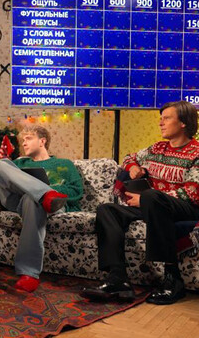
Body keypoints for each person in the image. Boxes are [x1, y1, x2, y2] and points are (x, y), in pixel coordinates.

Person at [81, 101, 199, 305]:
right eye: (161, 119)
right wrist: (134, 167)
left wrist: (144, 199)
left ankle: (173, 280)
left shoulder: (196, 152)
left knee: (152, 196)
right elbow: (129, 158)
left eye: (167, 118)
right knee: (107, 210)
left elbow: (192, 193)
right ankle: (118, 279)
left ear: (183, 123)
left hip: (185, 208)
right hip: (153, 206)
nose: (161, 123)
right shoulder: (157, 148)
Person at [0, 125, 83, 292]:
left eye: (29, 138)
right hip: (17, 202)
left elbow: (77, 191)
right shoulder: (20, 163)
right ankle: (44, 194)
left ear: (42, 141)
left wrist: (49, 191)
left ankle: (28, 274)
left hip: (49, 205)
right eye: (23, 140)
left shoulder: (64, 164)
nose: (24, 143)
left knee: (32, 199)